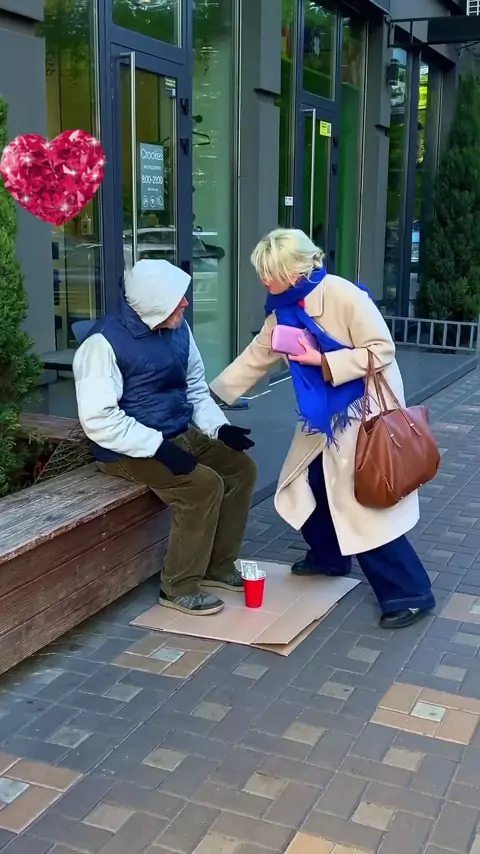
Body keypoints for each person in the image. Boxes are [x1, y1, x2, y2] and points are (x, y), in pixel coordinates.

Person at [211, 228, 435, 629]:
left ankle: (410, 592)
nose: (263, 279)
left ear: (294, 270)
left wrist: (323, 361)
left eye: (269, 271)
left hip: (366, 411)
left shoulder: (343, 294)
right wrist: (212, 396)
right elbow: (258, 354)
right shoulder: (283, 307)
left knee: (362, 504)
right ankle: (329, 557)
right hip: (324, 417)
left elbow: (382, 350)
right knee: (307, 483)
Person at [73, 258, 257, 616]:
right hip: (125, 449)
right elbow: (99, 419)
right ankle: (179, 587)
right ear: (154, 303)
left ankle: (218, 566)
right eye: (177, 299)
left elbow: (195, 388)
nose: (185, 303)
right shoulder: (102, 344)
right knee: (202, 486)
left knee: (241, 469)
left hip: (175, 431)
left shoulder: (178, 329)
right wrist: (156, 447)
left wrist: (220, 428)